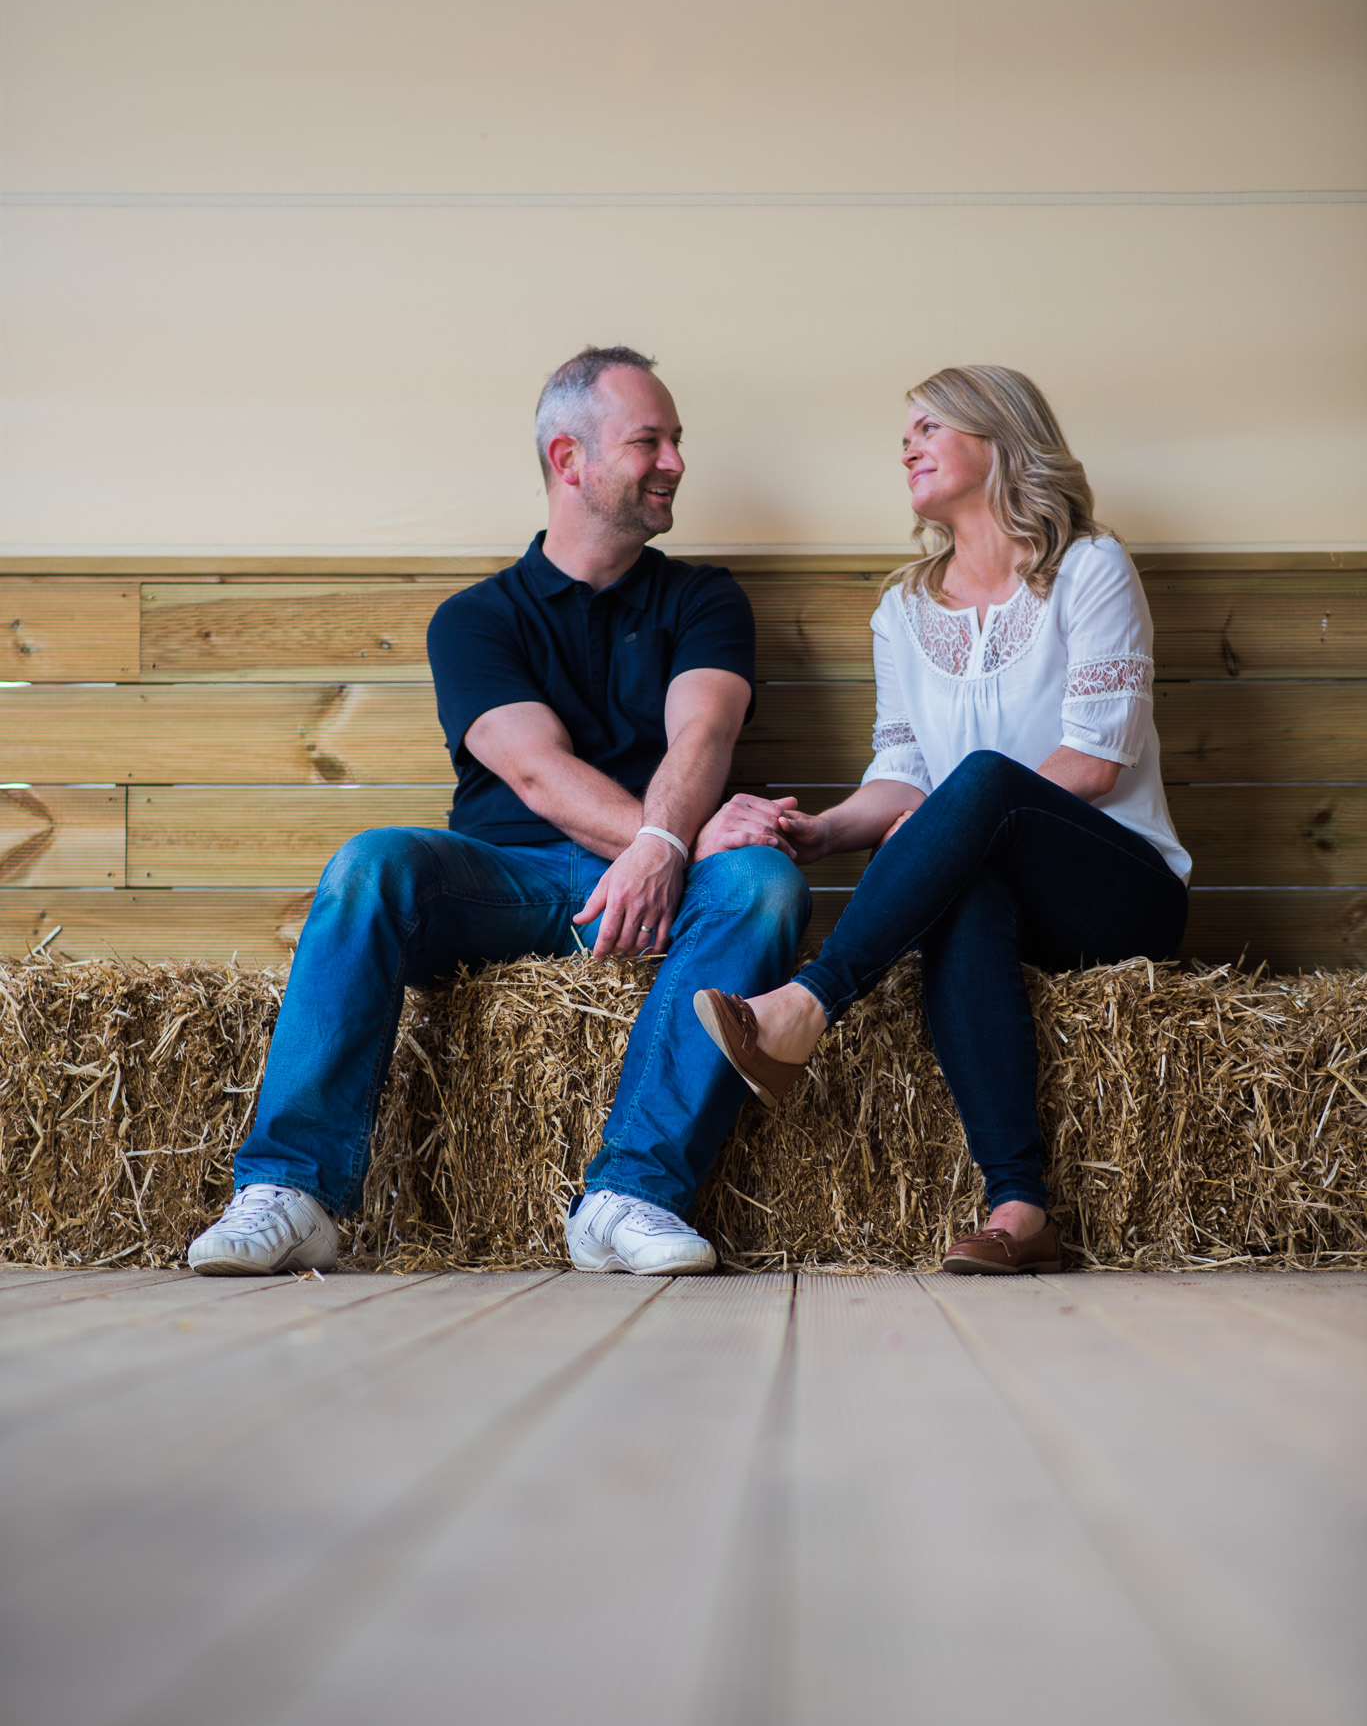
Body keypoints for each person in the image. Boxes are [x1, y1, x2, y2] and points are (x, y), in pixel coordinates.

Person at [189, 346, 810, 1278]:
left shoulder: (704, 597)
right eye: (651, 441)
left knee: (763, 881)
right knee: (373, 863)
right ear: (569, 460)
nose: (677, 461)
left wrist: (664, 848)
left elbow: (704, 741)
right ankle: (293, 1189)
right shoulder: (475, 619)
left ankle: (631, 1195)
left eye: (678, 440)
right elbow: (535, 774)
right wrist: (663, 842)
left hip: (669, 874)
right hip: (508, 883)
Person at [694, 364, 1190, 1274]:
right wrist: (822, 831)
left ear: (1000, 437)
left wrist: (949, 821)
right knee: (963, 891)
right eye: (905, 433)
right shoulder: (903, 609)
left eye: (930, 427)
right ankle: (1020, 1209)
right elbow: (902, 776)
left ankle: (809, 1003)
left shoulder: (1087, 567)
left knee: (986, 787)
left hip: (1118, 893)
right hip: (1001, 887)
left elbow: (1092, 760)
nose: (907, 444)